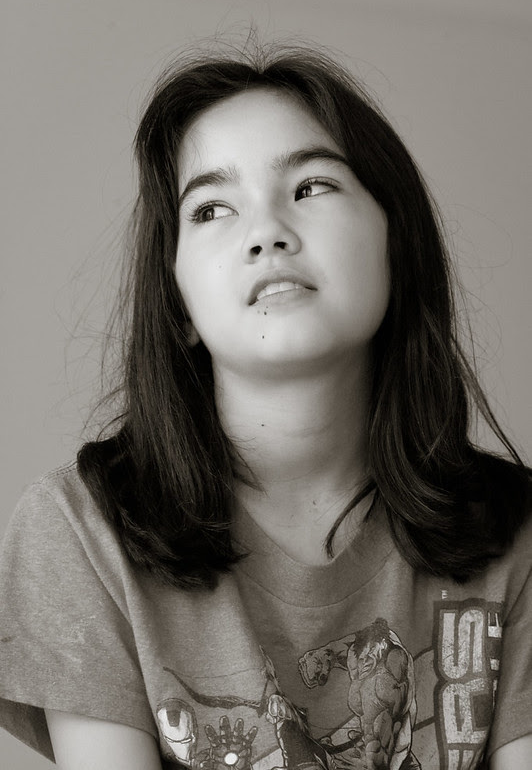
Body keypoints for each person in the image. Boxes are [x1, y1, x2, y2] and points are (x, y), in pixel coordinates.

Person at [0, 41, 530, 770]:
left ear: (397, 247)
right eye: (211, 208)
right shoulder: (81, 534)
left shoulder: (518, 538)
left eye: (311, 186)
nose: (266, 233)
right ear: (178, 301)